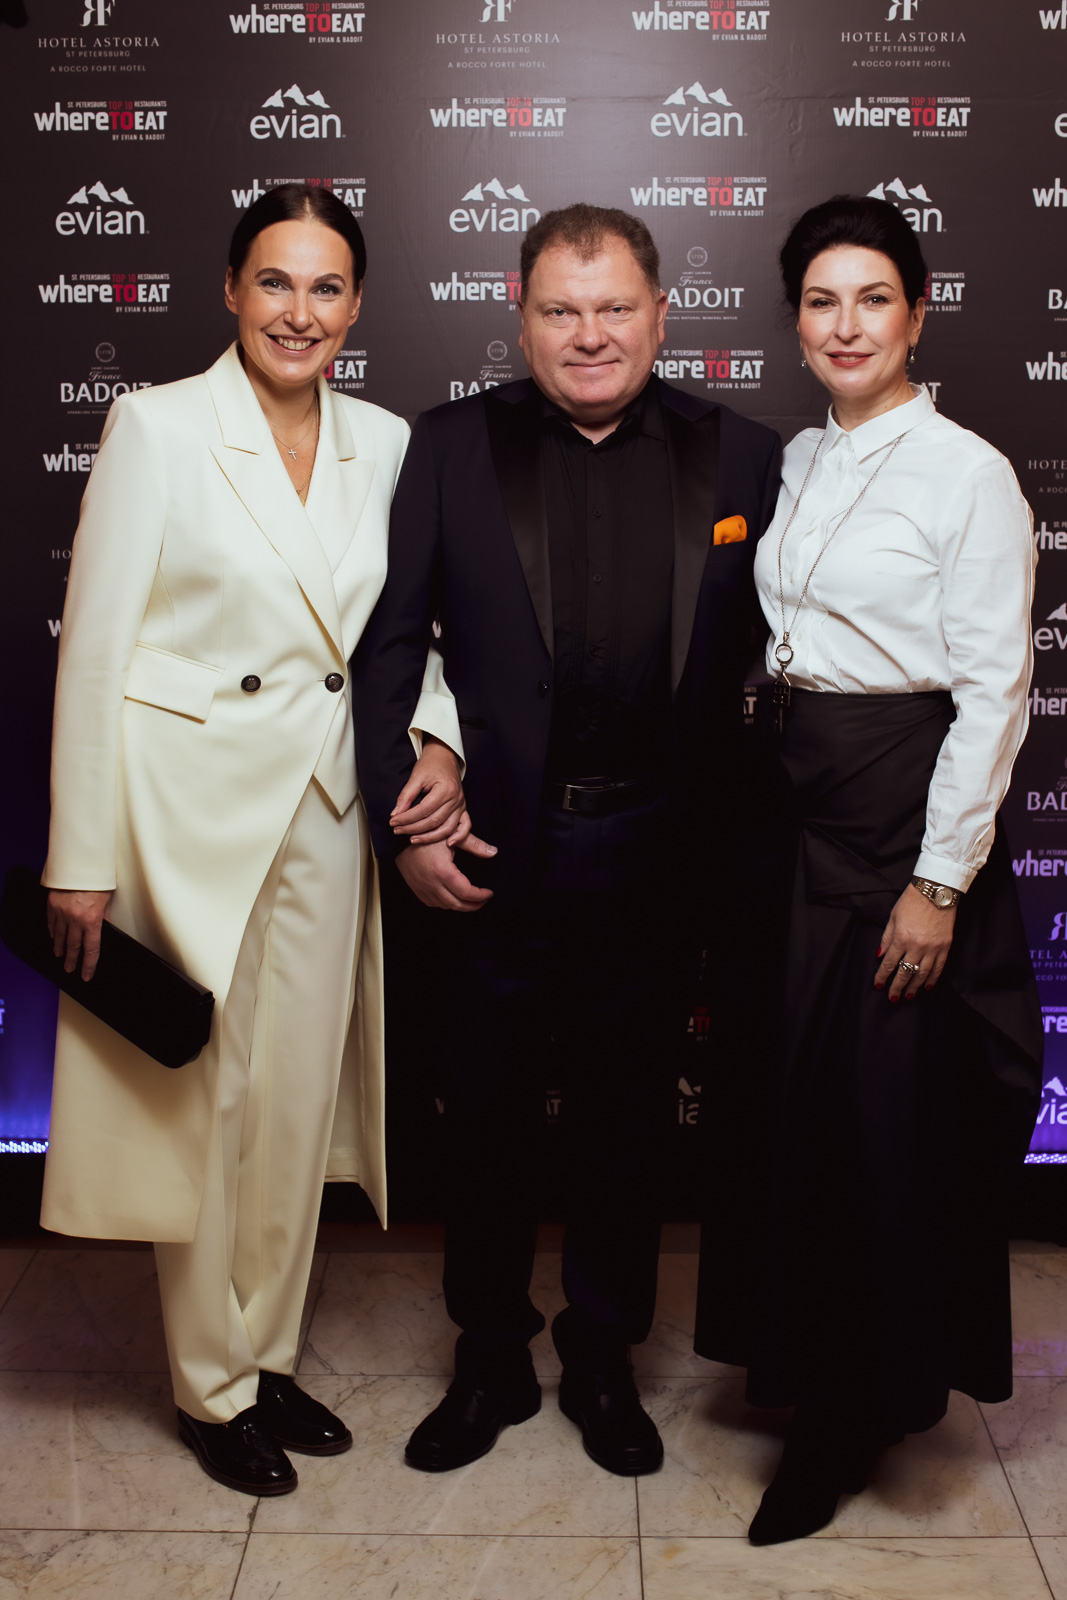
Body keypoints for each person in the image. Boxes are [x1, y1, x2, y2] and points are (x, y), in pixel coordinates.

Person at [40, 183, 471, 1497]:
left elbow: (411, 635)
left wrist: (438, 738)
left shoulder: (386, 444)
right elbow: (93, 648)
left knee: (294, 1102)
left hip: (331, 809)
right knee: (203, 1099)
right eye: (275, 282)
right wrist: (80, 854)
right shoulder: (158, 425)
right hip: (184, 813)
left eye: (325, 286)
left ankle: (266, 1352)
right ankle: (209, 1381)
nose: (299, 311)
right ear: (230, 289)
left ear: (357, 305)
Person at [353, 204, 781, 1477]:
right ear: (519, 313)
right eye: (559, 310)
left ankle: (602, 1354)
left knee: (625, 1121)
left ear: (660, 314)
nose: (587, 335)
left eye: (612, 309)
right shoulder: (446, 447)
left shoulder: (743, 456)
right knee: (482, 1116)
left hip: (657, 850)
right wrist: (403, 817)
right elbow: (389, 650)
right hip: (488, 848)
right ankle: (488, 1351)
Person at [694, 195, 1043, 1544]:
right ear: (795, 322)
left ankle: (852, 1411)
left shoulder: (966, 474)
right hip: (787, 812)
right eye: (820, 301)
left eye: (872, 299)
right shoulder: (794, 460)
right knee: (795, 1113)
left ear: (915, 312)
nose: (845, 326)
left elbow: (992, 694)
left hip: (894, 818)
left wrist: (937, 881)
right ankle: (798, 1367)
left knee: (876, 1125)